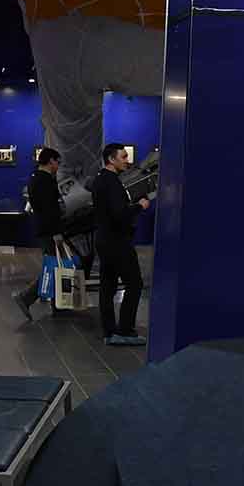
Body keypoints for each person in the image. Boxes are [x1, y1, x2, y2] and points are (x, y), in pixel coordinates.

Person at [91, 142, 148, 346]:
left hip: (104, 239)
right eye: (123, 157)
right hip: (117, 241)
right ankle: (125, 330)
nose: (127, 160)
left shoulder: (100, 179)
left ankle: (110, 331)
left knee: (107, 286)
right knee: (134, 283)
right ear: (111, 159)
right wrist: (139, 206)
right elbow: (119, 214)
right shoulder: (112, 182)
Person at [13, 147, 63, 319]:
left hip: (43, 228)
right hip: (48, 230)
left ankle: (58, 304)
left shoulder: (36, 178)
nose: (58, 166)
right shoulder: (45, 180)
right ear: (51, 161)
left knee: (55, 266)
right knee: (53, 267)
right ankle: (26, 297)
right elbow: (50, 209)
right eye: (57, 162)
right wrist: (56, 232)